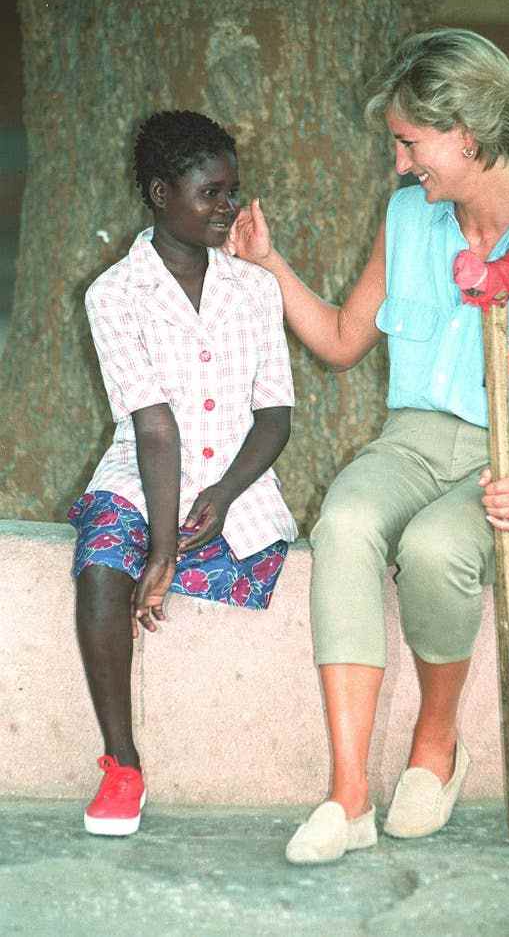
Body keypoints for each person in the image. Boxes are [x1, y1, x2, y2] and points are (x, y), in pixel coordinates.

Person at [227, 28, 509, 864]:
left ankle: (436, 748)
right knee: (347, 520)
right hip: (413, 441)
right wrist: (269, 264)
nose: (400, 165)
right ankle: (348, 797)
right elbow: (338, 339)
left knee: (439, 546)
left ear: (467, 135)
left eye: (410, 143)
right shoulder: (408, 217)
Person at [67, 110, 297, 836]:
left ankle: (181, 546)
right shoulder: (114, 296)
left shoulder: (255, 290)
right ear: (162, 194)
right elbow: (154, 429)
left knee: (238, 559)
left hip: (233, 481)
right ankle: (122, 765)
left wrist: (225, 495)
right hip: (143, 472)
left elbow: (275, 416)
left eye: (233, 190)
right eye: (211, 193)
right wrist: (160, 547)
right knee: (105, 563)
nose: (229, 206)